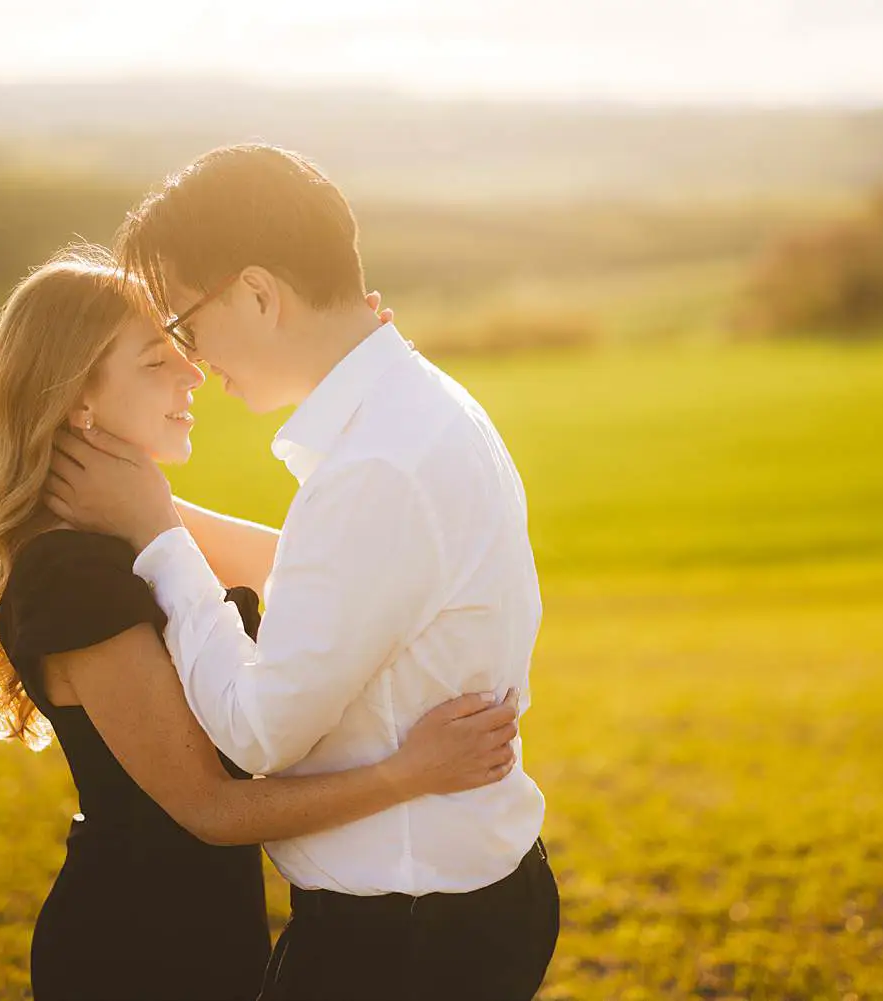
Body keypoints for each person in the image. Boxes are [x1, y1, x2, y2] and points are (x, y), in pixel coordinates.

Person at [45, 145, 559, 1001]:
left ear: (258, 294)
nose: (193, 361)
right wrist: (151, 507)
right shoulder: (420, 407)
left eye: (185, 323)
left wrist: (157, 537)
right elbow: (327, 580)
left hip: (405, 935)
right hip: (450, 903)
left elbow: (257, 732)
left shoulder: (377, 464)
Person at [0, 245, 521, 1001]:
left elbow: (317, 573)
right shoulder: (70, 577)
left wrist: (351, 365)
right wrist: (408, 774)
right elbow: (211, 809)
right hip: (136, 954)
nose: (192, 374)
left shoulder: (127, 533)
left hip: (209, 934)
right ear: (78, 400)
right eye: (156, 360)